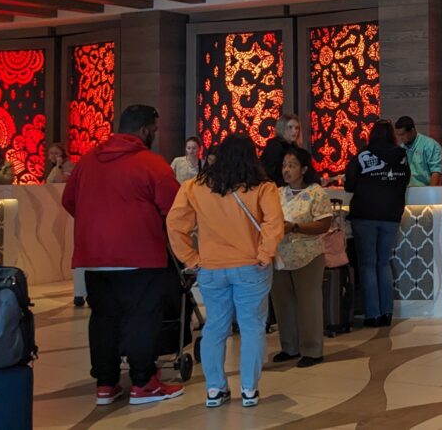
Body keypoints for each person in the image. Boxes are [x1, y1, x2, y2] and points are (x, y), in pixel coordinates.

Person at [60, 104, 184, 406]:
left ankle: (106, 383)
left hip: (94, 257)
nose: (155, 135)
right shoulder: (152, 164)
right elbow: (175, 208)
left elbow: (69, 201)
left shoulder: (87, 162)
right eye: (154, 130)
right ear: (144, 130)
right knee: (142, 318)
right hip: (139, 256)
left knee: (103, 319)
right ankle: (143, 383)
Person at [167, 134, 284, 409]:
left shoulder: (194, 186)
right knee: (252, 328)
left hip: (210, 268)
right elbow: (274, 223)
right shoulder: (263, 187)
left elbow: (174, 224)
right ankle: (248, 390)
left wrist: (191, 258)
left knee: (215, 329)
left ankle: (214, 389)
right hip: (251, 267)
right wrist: (265, 254)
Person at [269, 146, 332, 368]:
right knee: (283, 302)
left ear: (304, 169)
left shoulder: (315, 192)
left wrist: (295, 227)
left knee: (309, 303)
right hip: (281, 255)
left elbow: (324, 223)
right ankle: (289, 347)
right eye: (285, 165)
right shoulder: (277, 193)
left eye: (292, 165)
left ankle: (312, 349)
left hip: (308, 255)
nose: (287, 170)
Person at [345, 119, 410, 327]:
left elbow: (349, 184)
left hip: (365, 216)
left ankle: (372, 315)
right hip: (391, 216)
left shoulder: (364, 155)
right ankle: (387, 313)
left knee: (367, 265)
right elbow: (405, 180)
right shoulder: (401, 155)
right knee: (383, 264)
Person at [394, 115, 442, 186]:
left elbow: (436, 172)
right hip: (408, 191)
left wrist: (431, 192)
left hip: (426, 189)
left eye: (403, 134)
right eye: (398, 135)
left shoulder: (429, 145)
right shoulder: (401, 148)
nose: (400, 138)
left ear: (412, 130)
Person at [260, 114, 302, 187]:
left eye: (296, 128)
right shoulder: (274, 146)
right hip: (275, 188)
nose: (294, 131)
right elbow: (270, 172)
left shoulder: (294, 147)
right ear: (282, 128)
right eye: (290, 127)